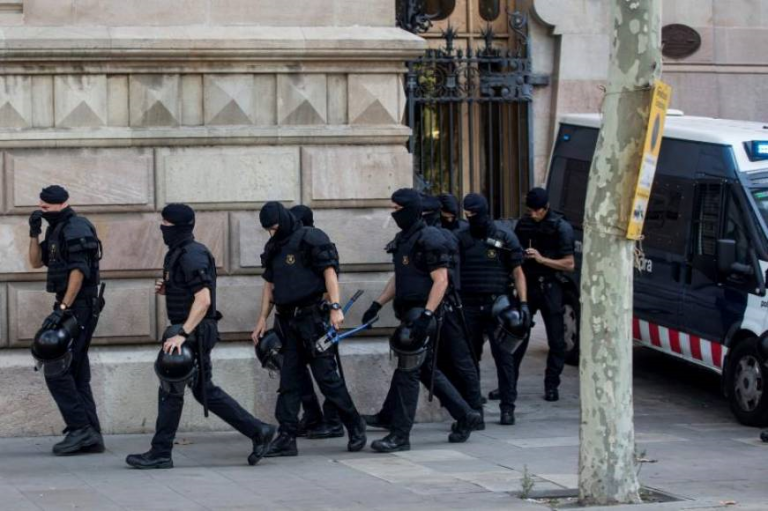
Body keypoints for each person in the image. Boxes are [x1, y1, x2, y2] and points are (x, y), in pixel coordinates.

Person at [126, 204, 276, 469]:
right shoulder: (180, 253)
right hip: (192, 330)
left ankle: (161, 452)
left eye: (167, 225)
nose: (163, 229)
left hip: (192, 332)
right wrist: (169, 289)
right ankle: (258, 430)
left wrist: (183, 333)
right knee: (202, 389)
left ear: (180, 227)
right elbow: (191, 292)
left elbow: (204, 300)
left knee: (173, 386)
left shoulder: (191, 255)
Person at [360, 189, 483, 453]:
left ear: (410, 209)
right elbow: (400, 277)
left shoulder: (431, 239)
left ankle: (400, 435)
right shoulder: (404, 239)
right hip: (408, 312)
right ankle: (466, 414)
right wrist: (377, 303)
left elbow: (442, 280)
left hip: (422, 315)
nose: (393, 213)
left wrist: (426, 315)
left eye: (397, 208)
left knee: (407, 374)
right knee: (425, 370)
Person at [252, 202, 366, 457]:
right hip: (287, 323)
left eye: (274, 227)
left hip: (312, 319)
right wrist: (262, 318)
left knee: (327, 379)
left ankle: (355, 425)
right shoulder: (273, 247)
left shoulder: (311, 238)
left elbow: (330, 273)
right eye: (268, 229)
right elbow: (269, 286)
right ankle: (287, 437)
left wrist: (336, 307)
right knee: (289, 381)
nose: (272, 232)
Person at [28, 185, 105, 456]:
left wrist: (63, 308)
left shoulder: (76, 227)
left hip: (79, 305)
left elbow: (79, 271)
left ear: (61, 204)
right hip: (70, 304)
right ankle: (90, 434)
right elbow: (36, 262)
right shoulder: (55, 229)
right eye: (40, 207)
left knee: (55, 364)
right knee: (76, 370)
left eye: (46, 208)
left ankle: (80, 428)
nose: (42, 210)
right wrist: (34, 232)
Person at [457, 193, 529, 425]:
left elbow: (518, 273)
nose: (470, 218)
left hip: (498, 305)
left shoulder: (504, 237)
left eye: (473, 214)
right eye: (467, 214)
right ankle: (474, 408)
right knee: (469, 359)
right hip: (468, 304)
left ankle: (507, 408)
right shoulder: (461, 238)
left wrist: (524, 305)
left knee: (504, 358)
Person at [287, 204, 344, 440]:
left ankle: (334, 422)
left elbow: (329, 279)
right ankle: (312, 417)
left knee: (326, 372)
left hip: (319, 316)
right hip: (298, 317)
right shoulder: (292, 246)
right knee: (297, 371)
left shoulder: (317, 243)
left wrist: (333, 309)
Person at [514, 188, 575, 402]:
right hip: (528, 285)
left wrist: (542, 260)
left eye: (537, 211)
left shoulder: (561, 227)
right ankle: (508, 385)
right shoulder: (524, 224)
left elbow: (569, 264)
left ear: (546, 208)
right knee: (517, 336)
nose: (533, 214)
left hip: (551, 285)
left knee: (557, 341)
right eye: (530, 210)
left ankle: (551, 385)